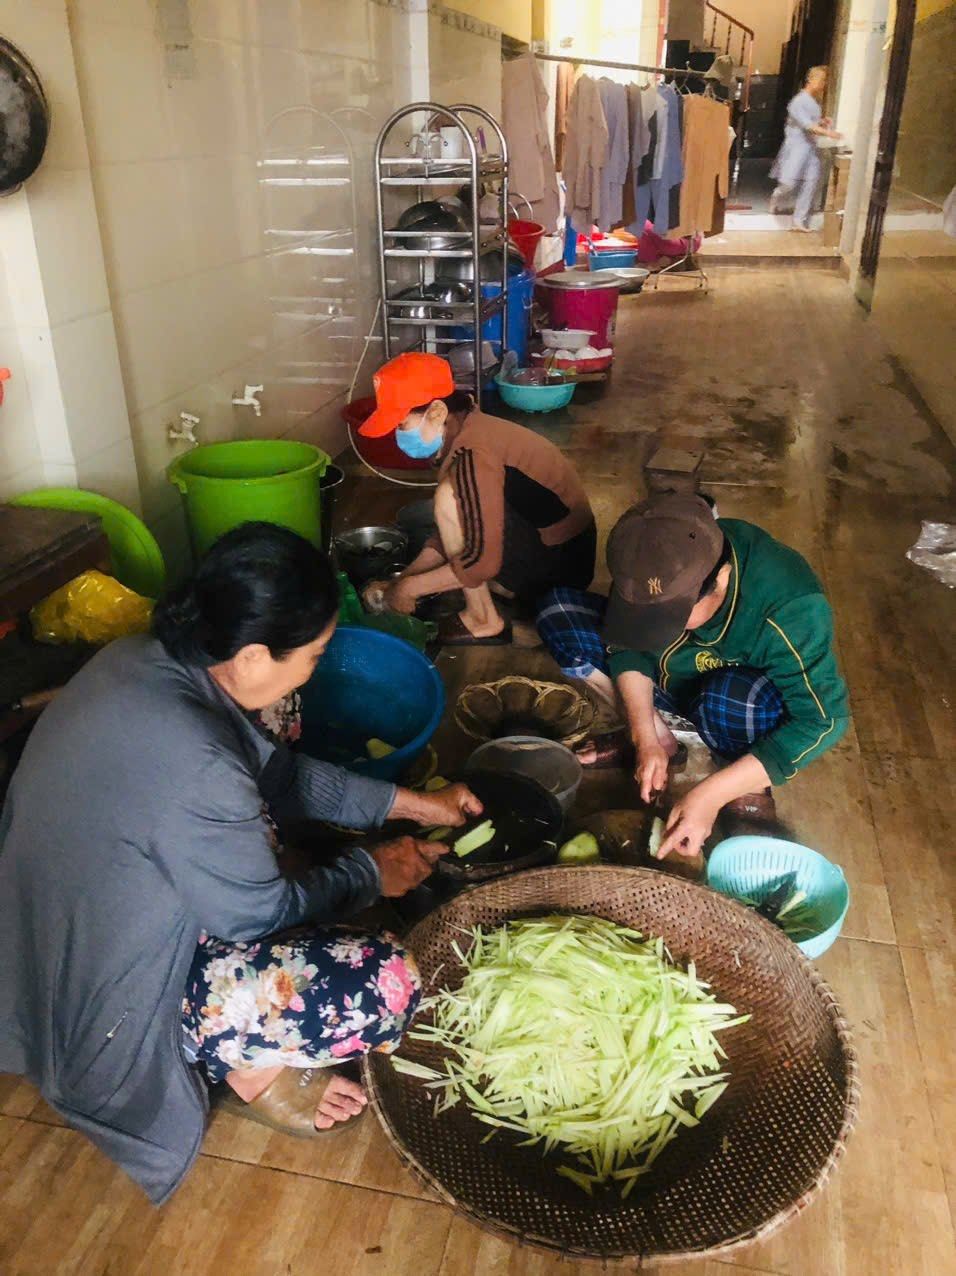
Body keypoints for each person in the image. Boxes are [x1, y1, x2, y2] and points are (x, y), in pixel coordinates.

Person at [0, 523, 483, 1204]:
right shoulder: (197, 760)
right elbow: (255, 916)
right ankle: (236, 1057)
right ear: (254, 656)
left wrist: (417, 805)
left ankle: (231, 1036)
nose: (314, 667)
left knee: (268, 830)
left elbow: (282, 778)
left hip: (49, 945)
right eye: (314, 654)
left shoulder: (142, 659)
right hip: (101, 1011)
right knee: (384, 981)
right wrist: (371, 873)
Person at [537, 494, 850, 859]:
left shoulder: (790, 604)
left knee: (734, 699)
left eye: (672, 616)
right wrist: (644, 735)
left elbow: (824, 720)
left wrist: (710, 795)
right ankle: (662, 736)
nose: (655, 629)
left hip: (732, 706)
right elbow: (628, 644)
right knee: (557, 612)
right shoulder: (644, 556)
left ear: (722, 578)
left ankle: (746, 784)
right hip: (669, 684)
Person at [359, 352, 596, 646]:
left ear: (436, 412)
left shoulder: (473, 455)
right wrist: (401, 581)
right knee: (451, 510)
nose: (398, 436)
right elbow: (452, 532)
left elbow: (481, 563)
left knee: (447, 500)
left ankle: (484, 619)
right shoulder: (469, 426)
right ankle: (504, 590)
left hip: (561, 569)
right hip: (558, 546)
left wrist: (409, 589)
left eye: (401, 424)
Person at [769, 65, 842, 232]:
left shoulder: (814, 102)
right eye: (821, 80)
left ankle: (799, 220)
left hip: (811, 148)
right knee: (789, 182)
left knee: (811, 182)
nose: (823, 84)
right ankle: (777, 196)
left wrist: (822, 122)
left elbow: (812, 122)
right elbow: (808, 125)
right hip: (797, 148)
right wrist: (829, 133)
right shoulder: (798, 101)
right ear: (811, 80)